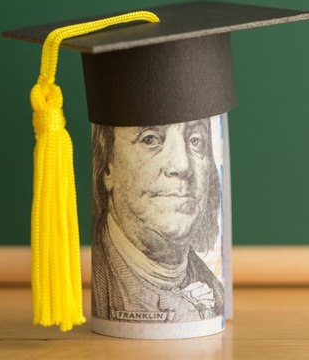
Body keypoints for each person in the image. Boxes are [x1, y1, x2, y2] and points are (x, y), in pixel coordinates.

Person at [91, 117, 224, 323]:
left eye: (196, 141)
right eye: (150, 139)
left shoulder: (218, 294)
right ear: (109, 166)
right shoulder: (97, 287)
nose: (182, 165)